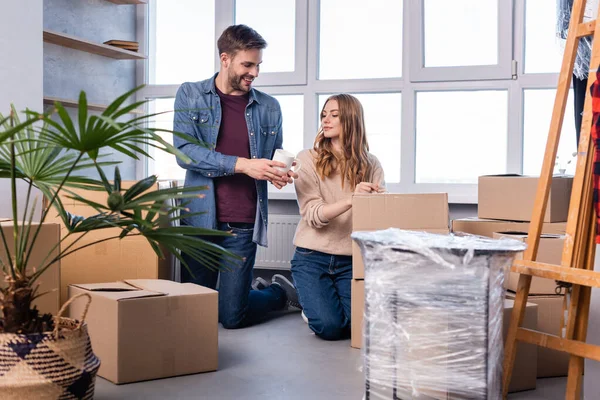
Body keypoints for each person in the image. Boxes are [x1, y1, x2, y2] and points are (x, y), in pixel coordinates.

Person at [173, 24, 300, 329]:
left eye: (258, 65)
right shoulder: (190, 94)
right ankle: (243, 293)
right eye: (248, 64)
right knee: (194, 312)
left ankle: (277, 293)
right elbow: (185, 152)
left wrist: (276, 173)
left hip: (242, 224)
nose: (254, 73)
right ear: (225, 58)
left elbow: (271, 157)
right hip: (199, 218)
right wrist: (243, 164)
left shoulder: (269, 107)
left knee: (231, 317)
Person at [290, 94, 385, 340]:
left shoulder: (371, 164)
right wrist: (352, 199)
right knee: (330, 329)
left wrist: (379, 201)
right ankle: (310, 306)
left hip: (350, 259)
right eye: (324, 114)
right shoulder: (306, 159)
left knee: (357, 327)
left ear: (351, 119)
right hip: (312, 257)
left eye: (334, 115)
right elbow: (313, 215)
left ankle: (318, 305)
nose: (326, 120)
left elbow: (375, 218)